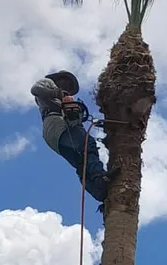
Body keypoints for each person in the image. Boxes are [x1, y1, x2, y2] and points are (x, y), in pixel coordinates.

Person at [30, 70, 109, 205]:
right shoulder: (48, 83)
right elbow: (36, 89)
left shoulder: (63, 101)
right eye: (66, 83)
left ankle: (98, 192)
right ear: (59, 79)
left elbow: (74, 122)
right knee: (87, 144)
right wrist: (59, 94)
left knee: (80, 163)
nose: (68, 88)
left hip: (55, 135)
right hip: (56, 123)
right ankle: (99, 177)